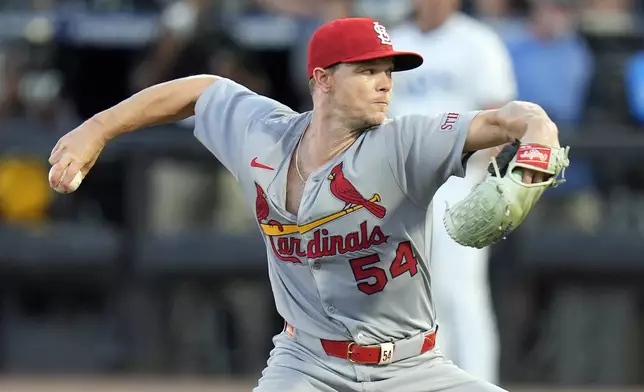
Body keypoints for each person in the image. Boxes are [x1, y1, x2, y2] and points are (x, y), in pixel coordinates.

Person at [48, 17, 559, 392]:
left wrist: (536, 145)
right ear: (322, 79)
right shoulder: (263, 135)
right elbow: (198, 91)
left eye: (388, 71)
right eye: (367, 70)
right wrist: (98, 127)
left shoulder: (405, 142)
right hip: (307, 365)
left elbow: (507, 119)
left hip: (412, 369)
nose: (385, 83)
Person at [387, 0, 517, 383]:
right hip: (401, 182)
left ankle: (477, 382)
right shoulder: (396, 41)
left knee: (460, 291)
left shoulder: (478, 42)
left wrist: (483, 179)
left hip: (458, 180)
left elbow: (499, 116)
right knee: (411, 292)